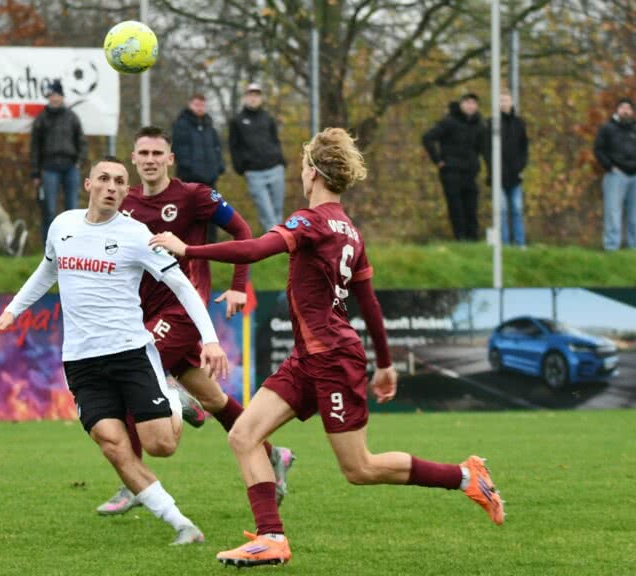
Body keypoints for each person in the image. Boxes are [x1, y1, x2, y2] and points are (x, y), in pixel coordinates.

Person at [151, 128, 505, 568]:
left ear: (314, 172)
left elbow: (258, 248)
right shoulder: (351, 230)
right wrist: (386, 362)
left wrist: (189, 248)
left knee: (360, 469)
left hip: (333, 358)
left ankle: (467, 476)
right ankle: (271, 538)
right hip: (310, 357)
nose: (300, 176)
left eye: (302, 168)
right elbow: (369, 302)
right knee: (244, 435)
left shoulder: (310, 221)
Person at [0, 156, 228, 546]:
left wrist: (210, 339)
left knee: (161, 445)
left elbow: (181, 285)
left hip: (130, 353)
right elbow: (48, 269)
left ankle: (173, 398)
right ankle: (182, 524)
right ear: (89, 184)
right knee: (113, 444)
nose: (112, 187)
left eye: (119, 182)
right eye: (105, 179)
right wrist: (12, 311)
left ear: (126, 192)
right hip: (81, 361)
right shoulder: (62, 225)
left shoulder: (136, 234)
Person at [94, 126, 295, 517]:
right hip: (143, 313)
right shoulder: (127, 201)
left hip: (183, 311)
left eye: (157, 153)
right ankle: (275, 455)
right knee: (215, 399)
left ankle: (134, 481)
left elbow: (242, 231)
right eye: (143, 153)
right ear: (133, 159)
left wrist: (239, 286)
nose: (150, 160)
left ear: (170, 159)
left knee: (128, 376)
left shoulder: (194, 196)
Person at [30, 79, 88, 242]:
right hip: (48, 168)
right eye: (51, 95)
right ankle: (49, 246)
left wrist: (79, 161)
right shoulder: (41, 119)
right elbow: (35, 147)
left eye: (57, 95)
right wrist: (35, 172)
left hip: (70, 167)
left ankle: (72, 244)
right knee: (49, 209)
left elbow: (82, 141)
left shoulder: (72, 117)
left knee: (72, 210)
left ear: (62, 96)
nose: (54, 98)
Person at [423, 93, 485, 241]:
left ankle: (473, 239)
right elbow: (427, 138)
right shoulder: (449, 122)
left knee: (471, 206)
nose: (470, 106)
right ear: (462, 104)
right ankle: (460, 238)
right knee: (456, 207)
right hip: (451, 171)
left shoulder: (480, 125)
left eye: (473, 103)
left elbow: (484, 147)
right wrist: (438, 160)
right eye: (468, 103)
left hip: (470, 172)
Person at [229, 83, 287, 232]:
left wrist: (281, 161)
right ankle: (273, 246)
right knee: (267, 214)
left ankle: (279, 247)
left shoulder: (268, 118)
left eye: (256, 95)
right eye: (250, 95)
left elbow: (275, 140)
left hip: (275, 169)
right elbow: (234, 147)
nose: (253, 98)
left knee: (277, 212)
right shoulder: (237, 120)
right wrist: (241, 168)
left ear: (261, 98)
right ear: (245, 97)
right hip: (254, 173)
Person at [173, 93, 227, 242]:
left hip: (211, 179)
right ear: (190, 104)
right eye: (197, 104)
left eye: (202, 105)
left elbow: (217, 148)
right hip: (190, 179)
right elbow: (178, 150)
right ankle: (191, 243)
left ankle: (211, 243)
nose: (200, 108)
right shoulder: (181, 125)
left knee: (212, 210)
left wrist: (219, 167)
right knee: (191, 212)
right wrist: (191, 169)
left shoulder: (210, 126)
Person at [482, 93, 529, 247]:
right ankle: (504, 243)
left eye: (506, 100)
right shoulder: (492, 123)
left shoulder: (519, 124)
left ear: (512, 102)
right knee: (501, 210)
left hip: (515, 175)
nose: (504, 103)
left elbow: (524, 148)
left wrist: (520, 167)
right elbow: (487, 150)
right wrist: (493, 170)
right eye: (501, 100)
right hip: (498, 176)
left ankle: (520, 243)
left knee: (517, 209)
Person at [593, 97, 636, 250]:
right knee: (613, 214)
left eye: (628, 108)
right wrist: (610, 166)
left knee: (634, 216)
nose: (626, 111)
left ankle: (633, 249)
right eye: (623, 107)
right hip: (616, 176)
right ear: (617, 110)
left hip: (634, 177)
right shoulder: (607, 128)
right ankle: (612, 247)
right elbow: (598, 149)